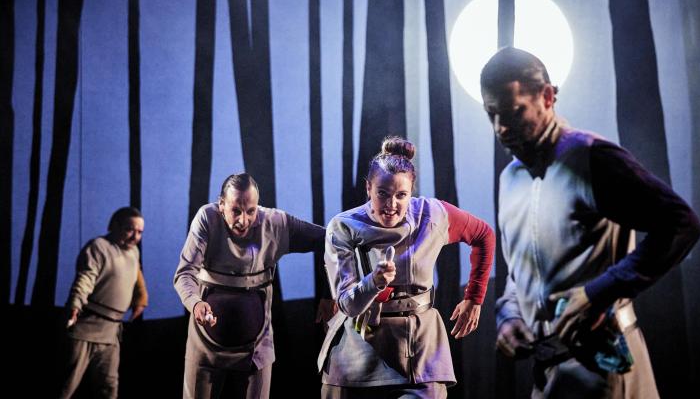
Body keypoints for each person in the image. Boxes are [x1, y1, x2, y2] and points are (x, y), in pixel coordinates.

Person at [481, 47, 700, 397]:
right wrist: (509, 315)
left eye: (513, 112)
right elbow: (520, 272)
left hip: (606, 371)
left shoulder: (591, 158)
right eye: (492, 114)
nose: (501, 127)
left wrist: (598, 292)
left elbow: (681, 224)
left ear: (548, 97)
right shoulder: (509, 179)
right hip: (548, 377)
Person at [319, 136, 495, 399]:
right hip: (358, 350)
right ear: (368, 188)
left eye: (401, 195)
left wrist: (474, 298)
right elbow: (347, 304)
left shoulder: (432, 214)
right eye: (382, 193)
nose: (391, 205)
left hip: (420, 351)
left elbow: (483, 235)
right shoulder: (343, 226)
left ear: (411, 191)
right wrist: (373, 282)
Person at [174, 172, 332, 399]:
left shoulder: (274, 223)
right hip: (205, 347)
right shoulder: (207, 219)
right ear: (221, 205)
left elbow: (329, 240)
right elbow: (185, 273)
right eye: (235, 211)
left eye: (251, 210)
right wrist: (195, 303)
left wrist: (329, 293)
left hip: (256, 347)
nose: (243, 220)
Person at [59, 206, 148, 399]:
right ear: (114, 226)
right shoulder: (99, 246)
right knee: (66, 386)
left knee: (108, 388)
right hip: (86, 328)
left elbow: (136, 275)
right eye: (130, 229)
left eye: (140, 232)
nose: (135, 237)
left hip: (111, 333)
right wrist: (75, 304)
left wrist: (141, 298)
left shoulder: (133, 252)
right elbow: (86, 277)